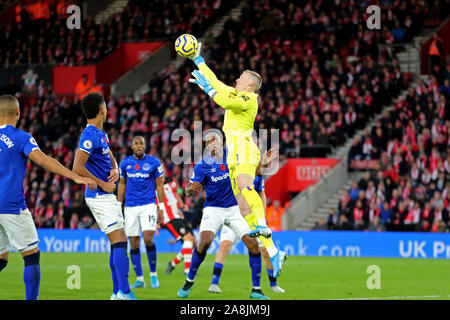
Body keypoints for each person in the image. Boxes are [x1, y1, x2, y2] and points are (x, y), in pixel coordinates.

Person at [187, 42, 286, 277]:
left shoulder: (249, 99)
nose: (237, 79)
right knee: (242, 206)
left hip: (245, 147)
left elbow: (225, 101)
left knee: (244, 185)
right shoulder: (235, 92)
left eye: (241, 77)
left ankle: (263, 225)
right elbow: (217, 83)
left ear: (250, 83)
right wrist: (198, 60)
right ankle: (273, 251)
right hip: (233, 153)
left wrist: (209, 91)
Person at [0, 95, 96, 300]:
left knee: (1, 257)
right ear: (18, 113)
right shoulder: (20, 137)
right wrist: (75, 176)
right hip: (10, 204)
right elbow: (42, 160)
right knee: (32, 255)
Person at [177, 133, 270, 299]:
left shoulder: (234, 156)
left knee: (253, 245)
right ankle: (189, 280)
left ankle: (256, 289)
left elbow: (253, 172)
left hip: (235, 207)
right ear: (206, 146)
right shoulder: (202, 165)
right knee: (204, 243)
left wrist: (262, 164)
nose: (213, 144)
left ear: (221, 141)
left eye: (215, 140)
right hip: (213, 209)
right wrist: (192, 189)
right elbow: (188, 191)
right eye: (209, 142)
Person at [72, 92, 137, 300]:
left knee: (118, 240)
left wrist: (116, 169)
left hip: (105, 195)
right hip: (99, 195)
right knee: (119, 239)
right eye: (106, 106)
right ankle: (124, 292)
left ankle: (117, 292)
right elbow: (77, 166)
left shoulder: (101, 134)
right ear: (102, 110)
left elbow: (109, 155)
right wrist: (103, 184)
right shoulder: (89, 135)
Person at [209, 151, 285, 294]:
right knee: (225, 246)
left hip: (252, 217)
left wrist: (262, 216)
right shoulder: (230, 171)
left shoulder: (255, 174)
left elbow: (262, 193)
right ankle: (214, 283)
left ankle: (273, 284)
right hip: (234, 214)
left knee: (264, 250)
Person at [117, 135, 165, 289]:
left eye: (141, 143)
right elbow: (122, 184)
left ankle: (153, 275)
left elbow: (159, 186)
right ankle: (139, 279)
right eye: (136, 143)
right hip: (130, 206)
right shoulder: (125, 163)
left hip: (148, 205)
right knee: (134, 241)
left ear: (145, 146)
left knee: (148, 238)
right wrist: (118, 205)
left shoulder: (154, 163)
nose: (139, 146)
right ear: (132, 146)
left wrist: (161, 207)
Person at [157, 166, 197, 277]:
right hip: (169, 218)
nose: (162, 170)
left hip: (178, 215)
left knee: (193, 242)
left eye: (163, 168)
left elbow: (175, 195)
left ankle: (173, 264)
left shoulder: (171, 181)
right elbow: (153, 204)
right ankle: (188, 271)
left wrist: (182, 204)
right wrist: (155, 221)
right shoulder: (155, 186)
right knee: (188, 239)